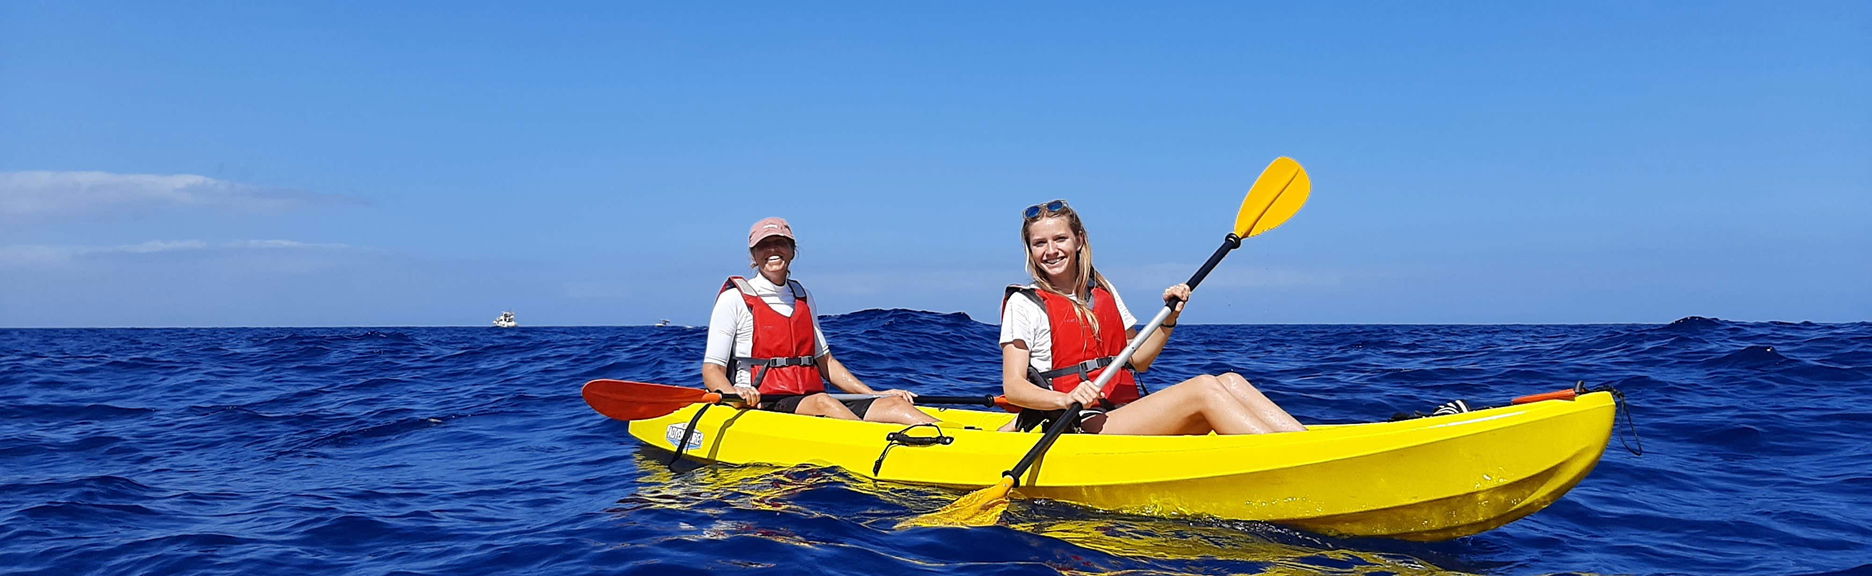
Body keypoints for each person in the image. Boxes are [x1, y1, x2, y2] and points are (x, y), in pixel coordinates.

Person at [998, 200, 1306, 435]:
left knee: (1231, 381)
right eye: (1040, 243)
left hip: (1120, 412)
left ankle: (1302, 447)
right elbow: (1014, 388)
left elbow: (1139, 361)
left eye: (1060, 239)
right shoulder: (1024, 304)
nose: (1051, 250)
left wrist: (1170, 318)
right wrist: (1065, 400)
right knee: (1203, 388)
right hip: (1076, 423)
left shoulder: (1102, 290)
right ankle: (1290, 466)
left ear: (1078, 240)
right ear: (1030, 250)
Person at [701, 217, 937, 425]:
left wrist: (874, 394)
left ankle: (957, 440)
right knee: (825, 403)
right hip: (765, 403)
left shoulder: (802, 296)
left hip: (809, 399)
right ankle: (871, 446)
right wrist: (734, 395)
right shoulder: (734, 299)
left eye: (780, 243)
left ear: (792, 250)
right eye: (764, 245)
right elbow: (712, 370)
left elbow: (826, 362)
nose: (772, 249)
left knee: (896, 405)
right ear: (753, 254)